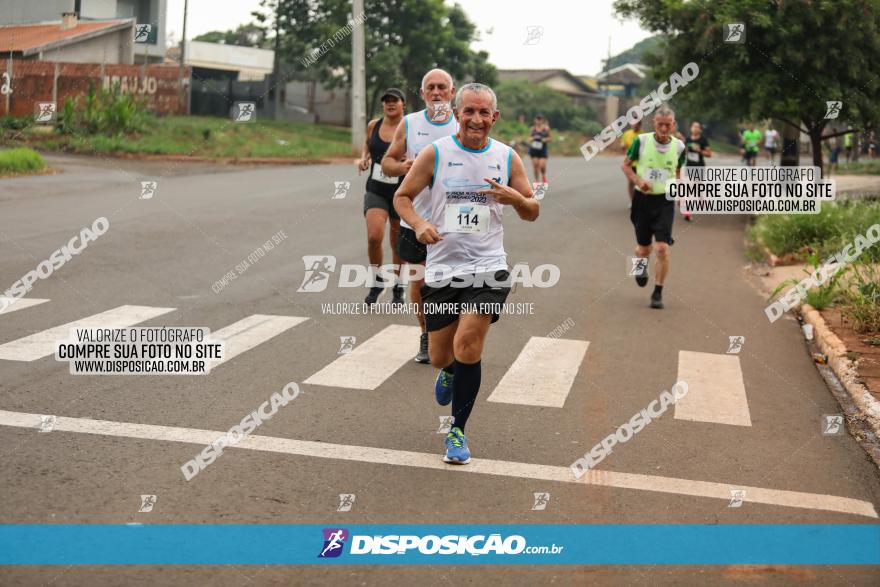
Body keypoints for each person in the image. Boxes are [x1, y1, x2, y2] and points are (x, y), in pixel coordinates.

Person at [393, 82, 539, 464]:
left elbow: (532, 210)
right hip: (442, 269)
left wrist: (517, 199)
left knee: (469, 344)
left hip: (489, 266)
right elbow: (401, 197)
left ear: (495, 116)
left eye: (483, 112)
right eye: (469, 111)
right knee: (444, 356)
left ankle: (457, 431)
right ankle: (450, 372)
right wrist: (419, 224)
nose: (476, 119)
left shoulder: (508, 157)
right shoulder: (435, 154)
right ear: (457, 114)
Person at [382, 69, 458, 364]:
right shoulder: (410, 123)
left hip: (453, 218)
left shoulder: (461, 123)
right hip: (415, 216)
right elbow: (388, 162)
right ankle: (426, 333)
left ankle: (449, 333)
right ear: (423, 93)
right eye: (431, 88)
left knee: (453, 280)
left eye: (442, 87)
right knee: (420, 279)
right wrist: (404, 168)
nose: (437, 92)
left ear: (452, 93)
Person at [621, 105, 686, 310]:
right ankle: (640, 266)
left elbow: (677, 171)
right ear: (654, 124)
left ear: (673, 125)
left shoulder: (679, 147)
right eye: (660, 125)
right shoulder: (641, 141)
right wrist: (638, 181)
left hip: (665, 201)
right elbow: (625, 164)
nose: (664, 129)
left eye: (668, 125)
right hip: (642, 201)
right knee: (643, 249)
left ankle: (658, 292)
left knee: (661, 248)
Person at [358, 88, 406, 305]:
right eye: (386, 101)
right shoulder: (373, 125)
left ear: (403, 103)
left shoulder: (409, 126)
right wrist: (364, 158)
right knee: (374, 236)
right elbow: (368, 144)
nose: (390, 104)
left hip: (401, 191)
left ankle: (398, 285)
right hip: (376, 188)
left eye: (394, 100)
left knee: (397, 243)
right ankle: (377, 281)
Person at [682, 121, 712, 222]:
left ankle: (701, 199)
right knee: (689, 188)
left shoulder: (703, 140)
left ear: (700, 129)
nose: (695, 128)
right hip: (689, 167)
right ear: (691, 128)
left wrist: (699, 150)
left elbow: (709, 154)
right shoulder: (688, 139)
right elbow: (684, 152)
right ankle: (687, 212)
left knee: (698, 187)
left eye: (697, 127)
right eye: (693, 126)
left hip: (699, 167)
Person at [621, 121, 642, 206]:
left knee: (640, 183)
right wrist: (623, 146)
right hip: (630, 163)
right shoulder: (627, 134)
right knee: (630, 182)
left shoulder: (643, 135)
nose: (634, 126)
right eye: (632, 124)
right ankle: (633, 201)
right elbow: (623, 145)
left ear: (640, 125)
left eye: (636, 124)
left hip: (641, 163)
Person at [528, 114, 551, 184]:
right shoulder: (532, 129)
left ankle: (543, 175)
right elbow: (529, 138)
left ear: (542, 121)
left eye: (540, 119)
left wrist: (545, 139)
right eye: (537, 119)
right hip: (534, 149)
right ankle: (536, 180)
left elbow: (550, 138)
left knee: (541, 165)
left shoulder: (546, 129)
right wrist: (532, 138)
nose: (538, 121)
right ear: (535, 120)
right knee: (535, 165)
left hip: (542, 150)